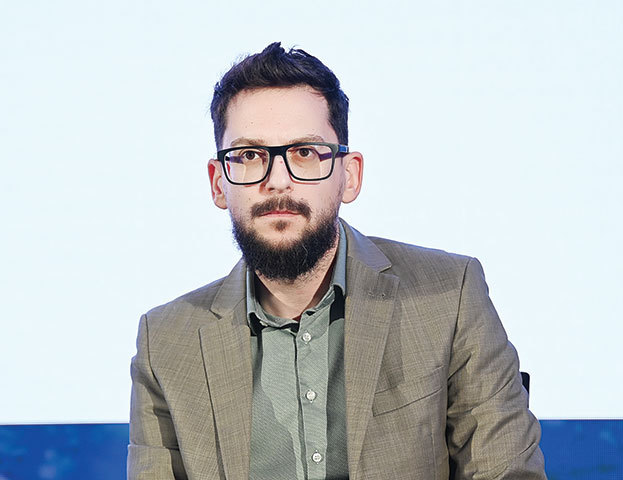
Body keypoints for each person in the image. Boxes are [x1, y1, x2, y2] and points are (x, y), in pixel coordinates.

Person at [128, 42, 546, 480]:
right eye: (249, 156)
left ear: (350, 176)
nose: (277, 181)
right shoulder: (166, 342)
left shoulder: (449, 297)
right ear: (218, 183)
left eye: (305, 152)